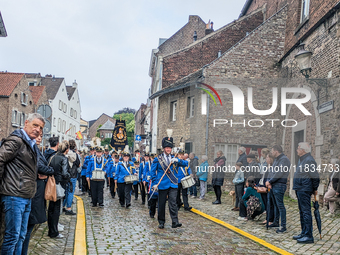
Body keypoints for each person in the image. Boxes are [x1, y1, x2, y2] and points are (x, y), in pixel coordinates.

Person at [0, 113, 45, 254]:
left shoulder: (30, 144)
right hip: (14, 195)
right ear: (26, 123)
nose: (38, 130)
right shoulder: (17, 141)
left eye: (41, 128)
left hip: (26, 196)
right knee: (12, 236)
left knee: (20, 236)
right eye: (35, 125)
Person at [22, 133, 54, 255]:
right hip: (34, 191)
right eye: (37, 135)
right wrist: (49, 171)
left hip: (37, 191)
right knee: (25, 230)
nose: (40, 138)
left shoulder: (37, 149)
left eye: (41, 135)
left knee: (27, 229)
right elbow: (40, 167)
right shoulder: (32, 149)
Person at [151, 132, 188, 229]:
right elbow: (152, 172)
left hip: (173, 184)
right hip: (162, 184)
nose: (168, 149)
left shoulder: (174, 158)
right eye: (167, 148)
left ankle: (175, 221)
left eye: (170, 148)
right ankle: (161, 221)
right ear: (164, 148)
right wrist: (154, 183)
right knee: (161, 203)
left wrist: (178, 160)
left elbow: (185, 164)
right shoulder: (158, 159)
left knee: (173, 203)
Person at [293, 142, 320, 243]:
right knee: (302, 211)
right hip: (300, 188)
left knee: (306, 212)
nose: (297, 150)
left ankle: (309, 235)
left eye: (298, 148)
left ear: (303, 150)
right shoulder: (302, 159)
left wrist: (314, 188)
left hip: (305, 188)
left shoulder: (309, 160)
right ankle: (304, 232)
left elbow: (315, 176)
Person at [47, 140, 71, 239]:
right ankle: (54, 232)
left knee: (51, 208)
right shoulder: (64, 159)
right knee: (56, 208)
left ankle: (51, 230)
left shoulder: (53, 157)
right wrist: (69, 176)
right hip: (60, 184)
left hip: (52, 183)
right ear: (66, 149)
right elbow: (65, 174)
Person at [265, 145, 290, 233]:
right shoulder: (276, 159)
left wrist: (270, 181)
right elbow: (272, 171)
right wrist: (269, 181)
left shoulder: (284, 159)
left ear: (276, 151)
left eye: (272, 151)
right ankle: (276, 222)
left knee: (280, 206)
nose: (271, 153)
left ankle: (283, 226)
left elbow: (279, 172)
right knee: (275, 204)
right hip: (273, 184)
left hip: (279, 185)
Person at [63, 139, 80, 215]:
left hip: (66, 174)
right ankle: (69, 208)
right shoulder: (74, 155)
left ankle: (63, 206)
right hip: (73, 175)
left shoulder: (65, 154)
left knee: (66, 191)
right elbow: (79, 164)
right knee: (71, 192)